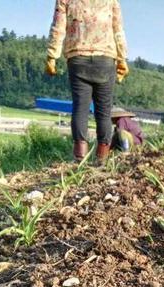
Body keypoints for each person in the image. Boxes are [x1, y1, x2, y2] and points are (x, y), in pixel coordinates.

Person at [46, 0, 129, 165]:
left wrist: (52, 55)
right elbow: (118, 30)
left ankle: (79, 157)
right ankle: (102, 159)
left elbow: (58, 27)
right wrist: (122, 59)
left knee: (80, 109)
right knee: (104, 112)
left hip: (78, 59)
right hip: (105, 59)